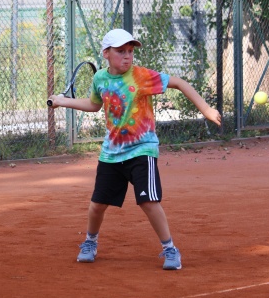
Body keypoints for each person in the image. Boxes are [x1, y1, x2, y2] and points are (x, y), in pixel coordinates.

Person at [49, 29, 222, 270]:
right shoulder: (100, 78)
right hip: (111, 153)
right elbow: (94, 104)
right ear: (106, 53)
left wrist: (206, 109)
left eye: (130, 51)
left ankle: (170, 249)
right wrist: (63, 101)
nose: (127, 56)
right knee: (97, 205)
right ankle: (90, 242)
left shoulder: (142, 76)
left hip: (142, 149)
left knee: (148, 201)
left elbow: (179, 83)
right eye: (121, 51)